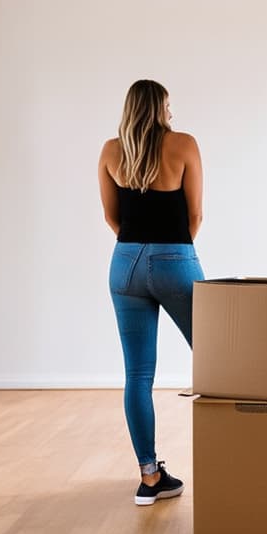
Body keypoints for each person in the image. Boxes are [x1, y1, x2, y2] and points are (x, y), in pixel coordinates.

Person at [98, 79, 204, 506]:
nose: (172, 114)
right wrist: (173, 253)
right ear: (160, 108)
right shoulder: (183, 144)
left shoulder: (110, 150)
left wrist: (139, 252)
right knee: (219, 356)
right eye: (168, 106)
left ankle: (149, 477)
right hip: (174, 258)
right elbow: (195, 214)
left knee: (137, 376)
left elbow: (111, 216)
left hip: (123, 265)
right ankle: (238, 451)